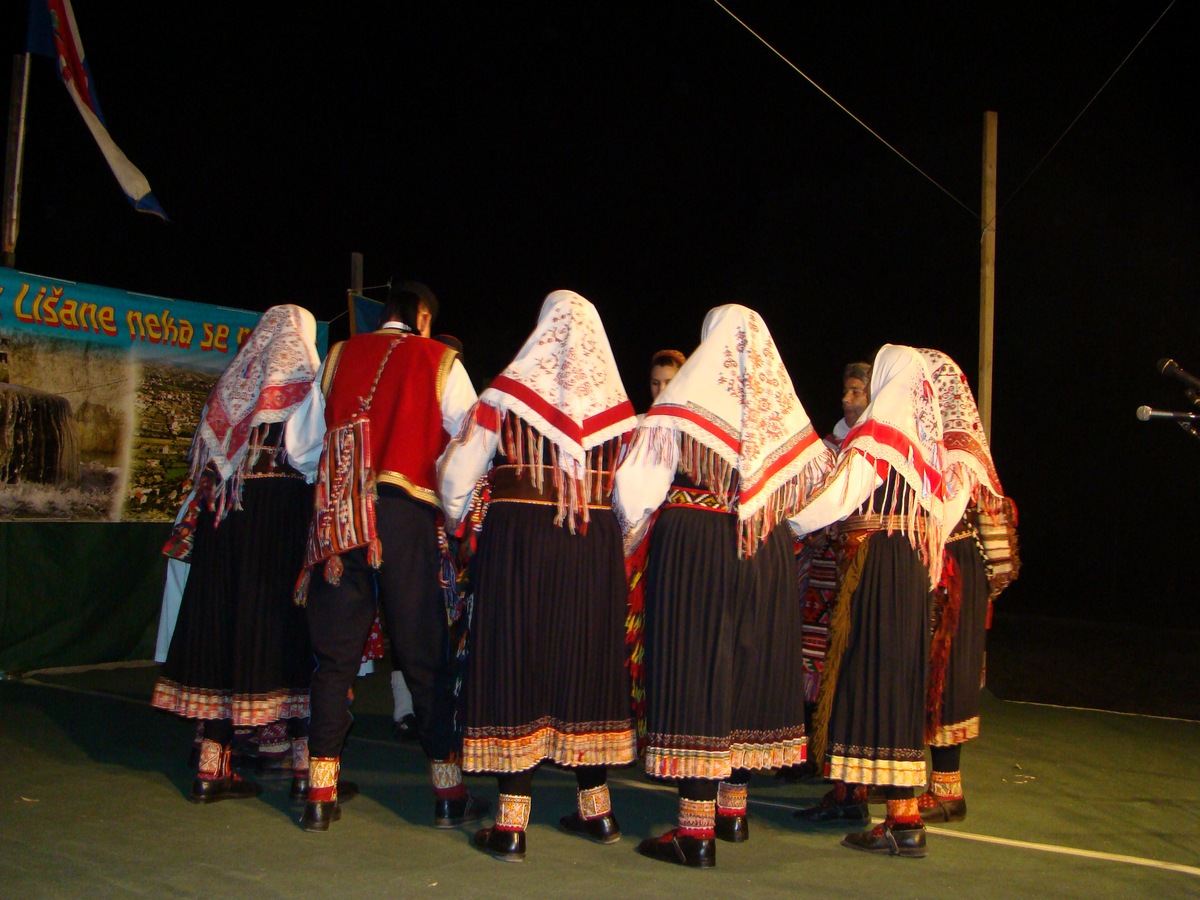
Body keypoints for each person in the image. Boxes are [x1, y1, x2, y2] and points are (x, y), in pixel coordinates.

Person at [613, 304, 833, 869]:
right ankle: (733, 811)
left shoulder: (685, 402)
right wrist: (775, 521)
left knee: (696, 666)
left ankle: (695, 831)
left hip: (698, 544)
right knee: (748, 664)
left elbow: (637, 487)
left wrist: (632, 533)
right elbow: (816, 499)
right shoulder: (781, 413)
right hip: (764, 549)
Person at [438, 290, 639, 862]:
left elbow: (457, 476)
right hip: (591, 540)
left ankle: (511, 824)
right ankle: (597, 812)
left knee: (514, 657)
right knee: (586, 659)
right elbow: (635, 495)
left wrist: (460, 520)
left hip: (519, 539)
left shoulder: (504, 396)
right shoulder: (619, 413)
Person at [289, 280, 488, 833]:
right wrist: (451, 507)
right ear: (423, 316)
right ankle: (448, 793)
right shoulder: (439, 358)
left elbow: (301, 446)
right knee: (424, 653)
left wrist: (330, 486)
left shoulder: (338, 355)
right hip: (404, 516)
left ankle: (320, 793)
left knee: (334, 657)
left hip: (340, 513)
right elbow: (472, 439)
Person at [151, 304, 320, 805]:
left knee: (224, 628)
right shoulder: (308, 380)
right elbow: (312, 453)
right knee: (289, 629)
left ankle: (210, 767)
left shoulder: (232, 382)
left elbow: (203, 454)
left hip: (225, 520)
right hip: (281, 518)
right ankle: (304, 766)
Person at [789, 344, 948, 859]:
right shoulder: (925, 448)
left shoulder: (880, 438)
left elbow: (842, 495)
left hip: (876, 565)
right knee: (892, 680)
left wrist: (785, 521)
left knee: (873, 677)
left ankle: (902, 821)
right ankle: (874, 804)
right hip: (907, 566)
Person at [918, 348, 1019, 823]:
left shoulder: (966, 455)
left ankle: (948, 790)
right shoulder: (917, 444)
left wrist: (975, 590)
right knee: (922, 673)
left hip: (955, 573)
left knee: (950, 675)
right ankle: (907, 781)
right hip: (929, 568)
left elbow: (997, 540)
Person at [790, 361, 873, 777]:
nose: (847, 398)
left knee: (846, 658)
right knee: (810, 656)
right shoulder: (828, 447)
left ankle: (836, 756)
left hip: (860, 570)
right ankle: (806, 749)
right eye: (846, 390)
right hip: (822, 569)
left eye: (857, 391)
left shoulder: (878, 447)